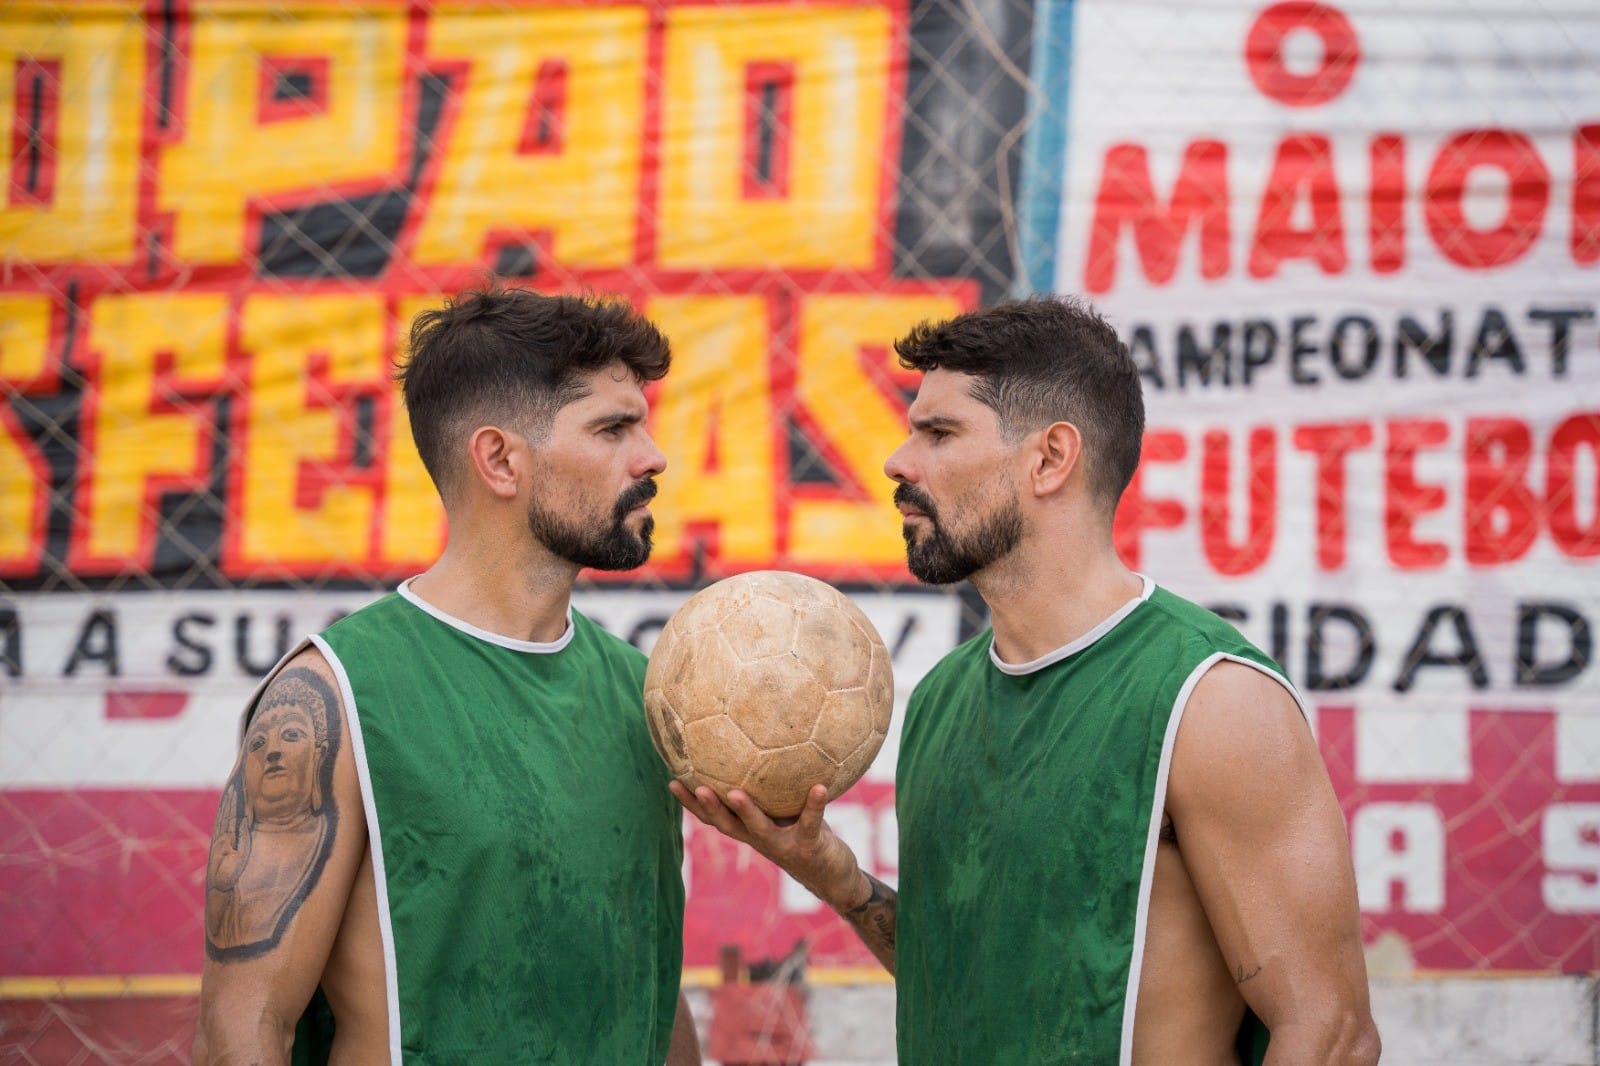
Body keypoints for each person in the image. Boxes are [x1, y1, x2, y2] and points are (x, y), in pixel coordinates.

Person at [674, 296, 1379, 1064]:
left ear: (1050, 459)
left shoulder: (1209, 697)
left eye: (939, 433)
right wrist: (839, 879)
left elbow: (1330, 1032)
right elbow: (976, 985)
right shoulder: (942, 699)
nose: (897, 462)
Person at [195, 285, 701, 1065]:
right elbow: (243, 1030)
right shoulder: (335, 698)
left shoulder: (647, 693)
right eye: (613, 428)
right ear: (500, 459)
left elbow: (648, 991)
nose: (653, 455)